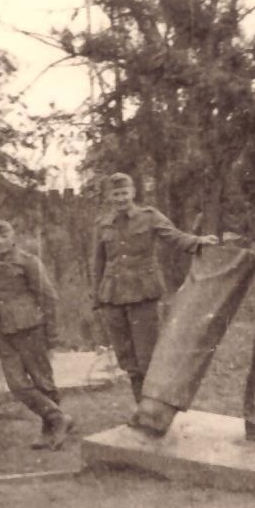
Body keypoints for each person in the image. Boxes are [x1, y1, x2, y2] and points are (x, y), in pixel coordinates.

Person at [92, 172, 218, 402]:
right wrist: (97, 298)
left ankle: (154, 408)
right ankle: (141, 407)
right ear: (109, 197)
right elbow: (98, 262)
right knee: (127, 358)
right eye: (115, 194)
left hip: (142, 295)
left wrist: (198, 241)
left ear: (133, 192)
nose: (120, 198)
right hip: (112, 297)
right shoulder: (103, 224)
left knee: (147, 357)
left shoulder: (149, 217)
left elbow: (174, 236)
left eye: (124, 193)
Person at [0, 219, 73, 450]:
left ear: (13, 237)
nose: (0, 242)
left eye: (4, 236)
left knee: (43, 381)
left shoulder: (28, 261)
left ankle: (49, 431)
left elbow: (48, 297)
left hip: (30, 327)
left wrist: (52, 332)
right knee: (17, 385)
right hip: (2, 328)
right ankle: (59, 418)